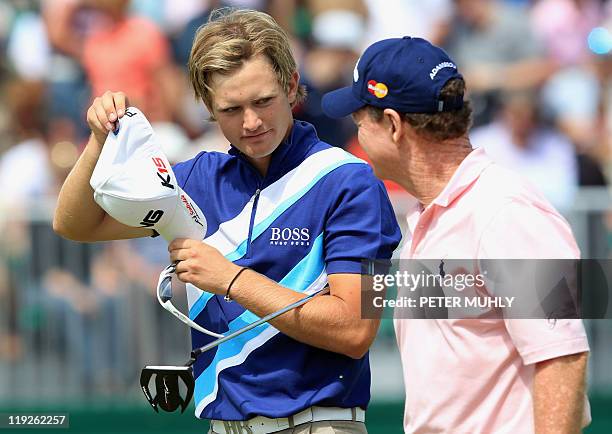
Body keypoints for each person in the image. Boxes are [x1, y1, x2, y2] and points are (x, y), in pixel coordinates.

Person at [53, 8, 401, 434]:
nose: (251, 122)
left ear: (292, 86)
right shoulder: (197, 178)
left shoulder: (350, 180)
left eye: (263, 101)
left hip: (321, 423)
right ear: (207, 106)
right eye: (232, 108)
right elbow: (75, 224)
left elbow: (355, 329)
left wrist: (230, 279)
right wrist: (98, 141)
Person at [321, 37, 590, 433]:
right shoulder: (436, 215)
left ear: (393, 125)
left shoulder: (506, 212)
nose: (356, 138)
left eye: (360, 123)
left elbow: (562, 359)